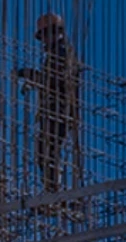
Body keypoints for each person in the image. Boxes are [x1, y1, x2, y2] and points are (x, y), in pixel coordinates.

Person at [16, 13, 82, 194]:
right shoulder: (58, 53)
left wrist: (30, 75)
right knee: (45, 149)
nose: (44, 41)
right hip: (55, 109)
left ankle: (53, 189)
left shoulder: (62, 53)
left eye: (46, 35)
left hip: (59, 109)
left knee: (48, 149)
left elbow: (54, 80)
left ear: (56, 33)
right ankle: (52, 187)